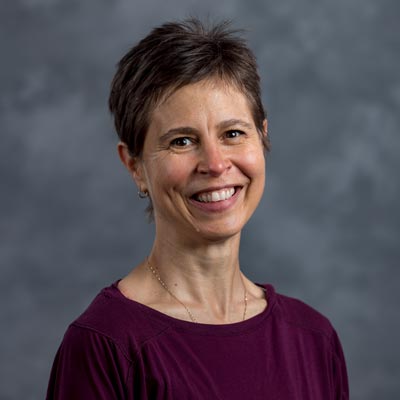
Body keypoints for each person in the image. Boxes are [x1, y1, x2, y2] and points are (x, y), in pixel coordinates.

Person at [46, 18, 349, 399]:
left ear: (263, 136)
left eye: (233, 134)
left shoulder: (314, 339)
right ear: (134, 165)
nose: (216, 163)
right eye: (182, 141)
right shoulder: (106, 345)